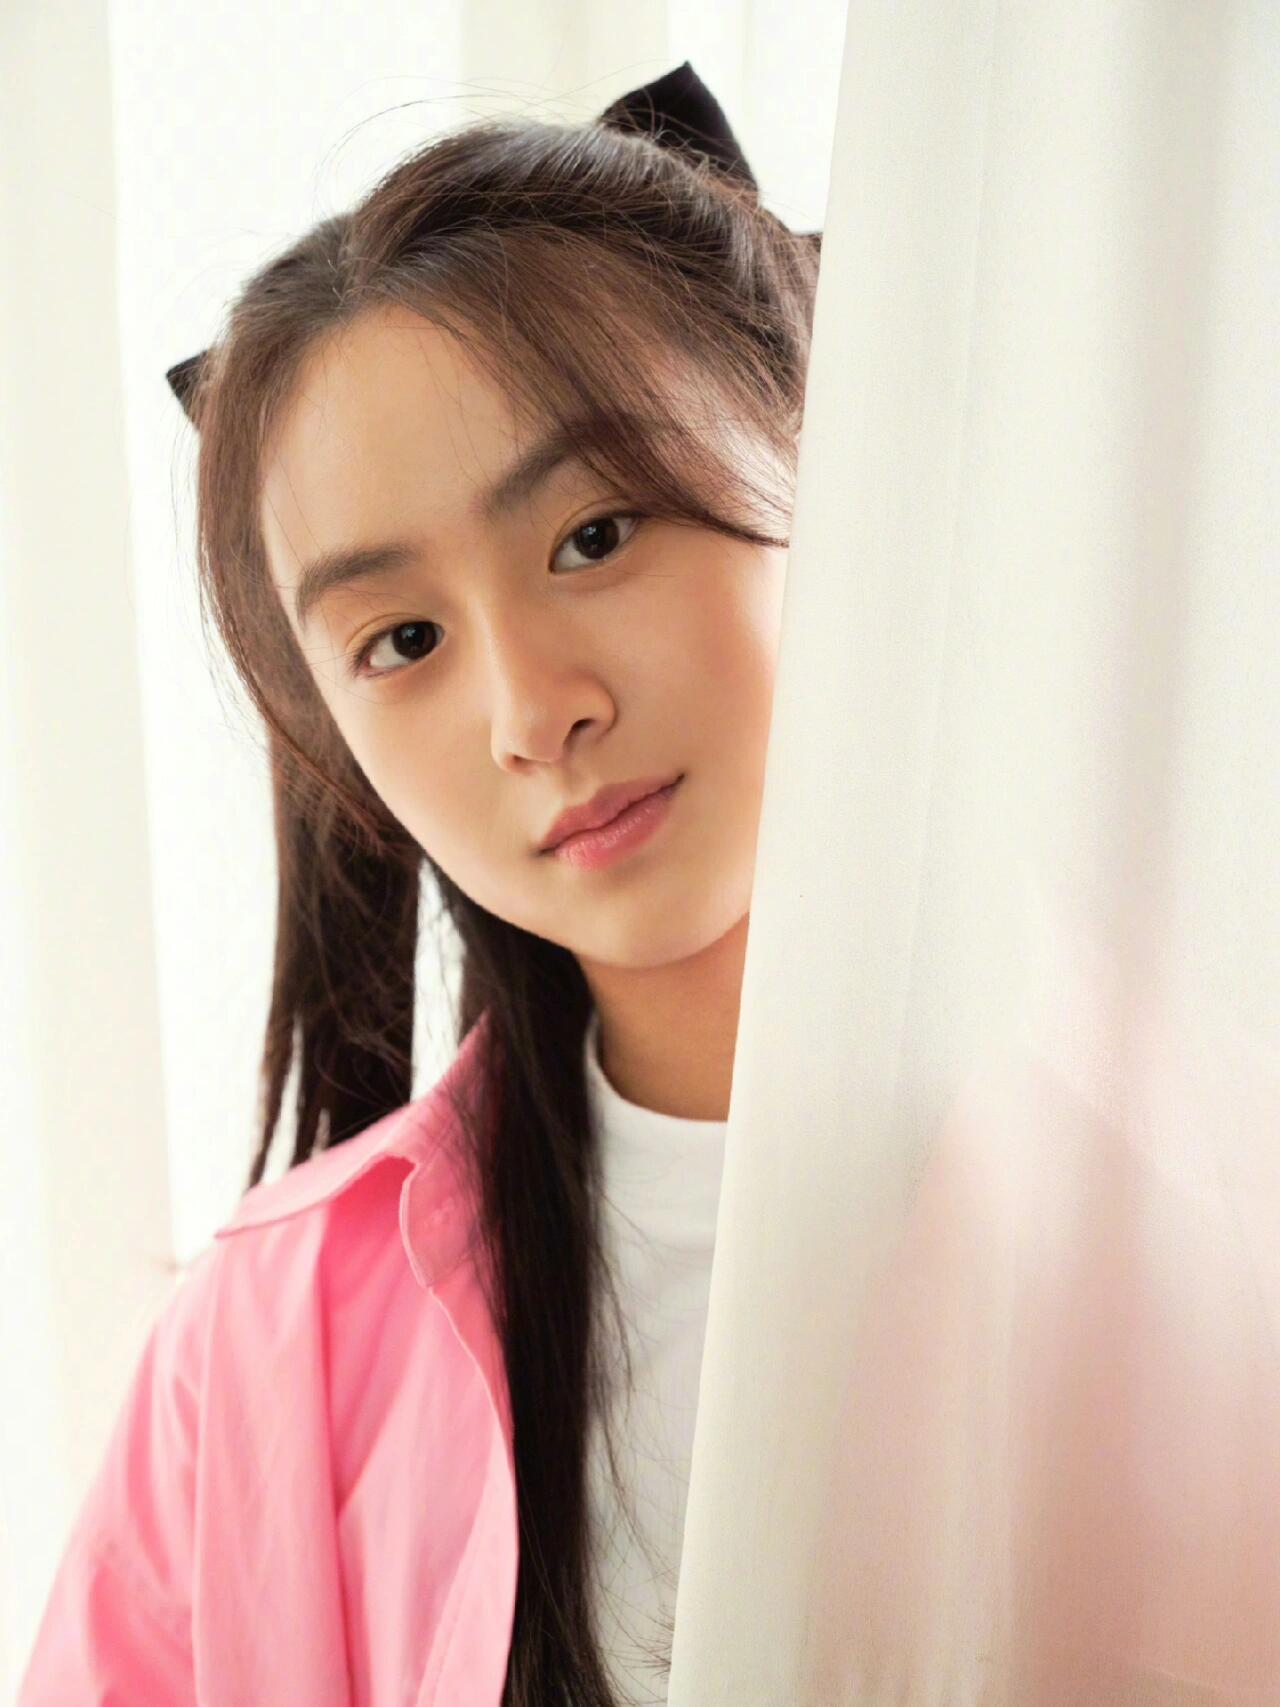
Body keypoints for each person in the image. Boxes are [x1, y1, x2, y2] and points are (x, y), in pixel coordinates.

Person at [18, 61, 820, 1705]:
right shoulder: (265, 1350)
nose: (532, 714)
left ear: (830, 462)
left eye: (596, 534)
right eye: (401, 640)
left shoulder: (1190, 1194)